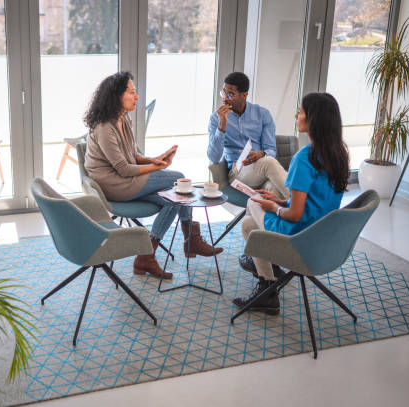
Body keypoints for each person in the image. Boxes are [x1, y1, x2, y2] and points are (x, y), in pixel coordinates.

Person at [84, 71, 222, 279]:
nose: (137, 97)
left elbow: (133, 155)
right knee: (179, 178)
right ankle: (190, 238)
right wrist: (159, 167)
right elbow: (123, 168)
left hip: (126, 180)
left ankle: (146, 257)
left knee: (175, 199)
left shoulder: (124, 119)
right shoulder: (105, 127)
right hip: (113, 185)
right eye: (132, 92)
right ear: (117, 96)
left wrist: (156, 160)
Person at [233, 92, 350, 314]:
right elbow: (314, 200)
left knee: (253, 202)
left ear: (313, 119)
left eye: (301, 111)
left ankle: (268, 282)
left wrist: (275, 208)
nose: (297, 115)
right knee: (248, 225)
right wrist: (281, 200)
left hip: (298, 238)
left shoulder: (305, 158)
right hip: (323, 236)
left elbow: (295, 215)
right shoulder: (338, 153)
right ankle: (267, 288)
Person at [207, 72, 289, 200]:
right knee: (269, 163)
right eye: (224, 93)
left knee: (272, 188)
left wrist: (261, 153)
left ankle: (276, 218)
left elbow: (271, 150)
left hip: (261, 167)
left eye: (230, 95)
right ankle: (304, 207)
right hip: (238, 172)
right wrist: (221, 127)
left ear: (244, 95)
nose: (225, 98)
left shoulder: (262, 114)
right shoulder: (216, 118)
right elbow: (214, 157)